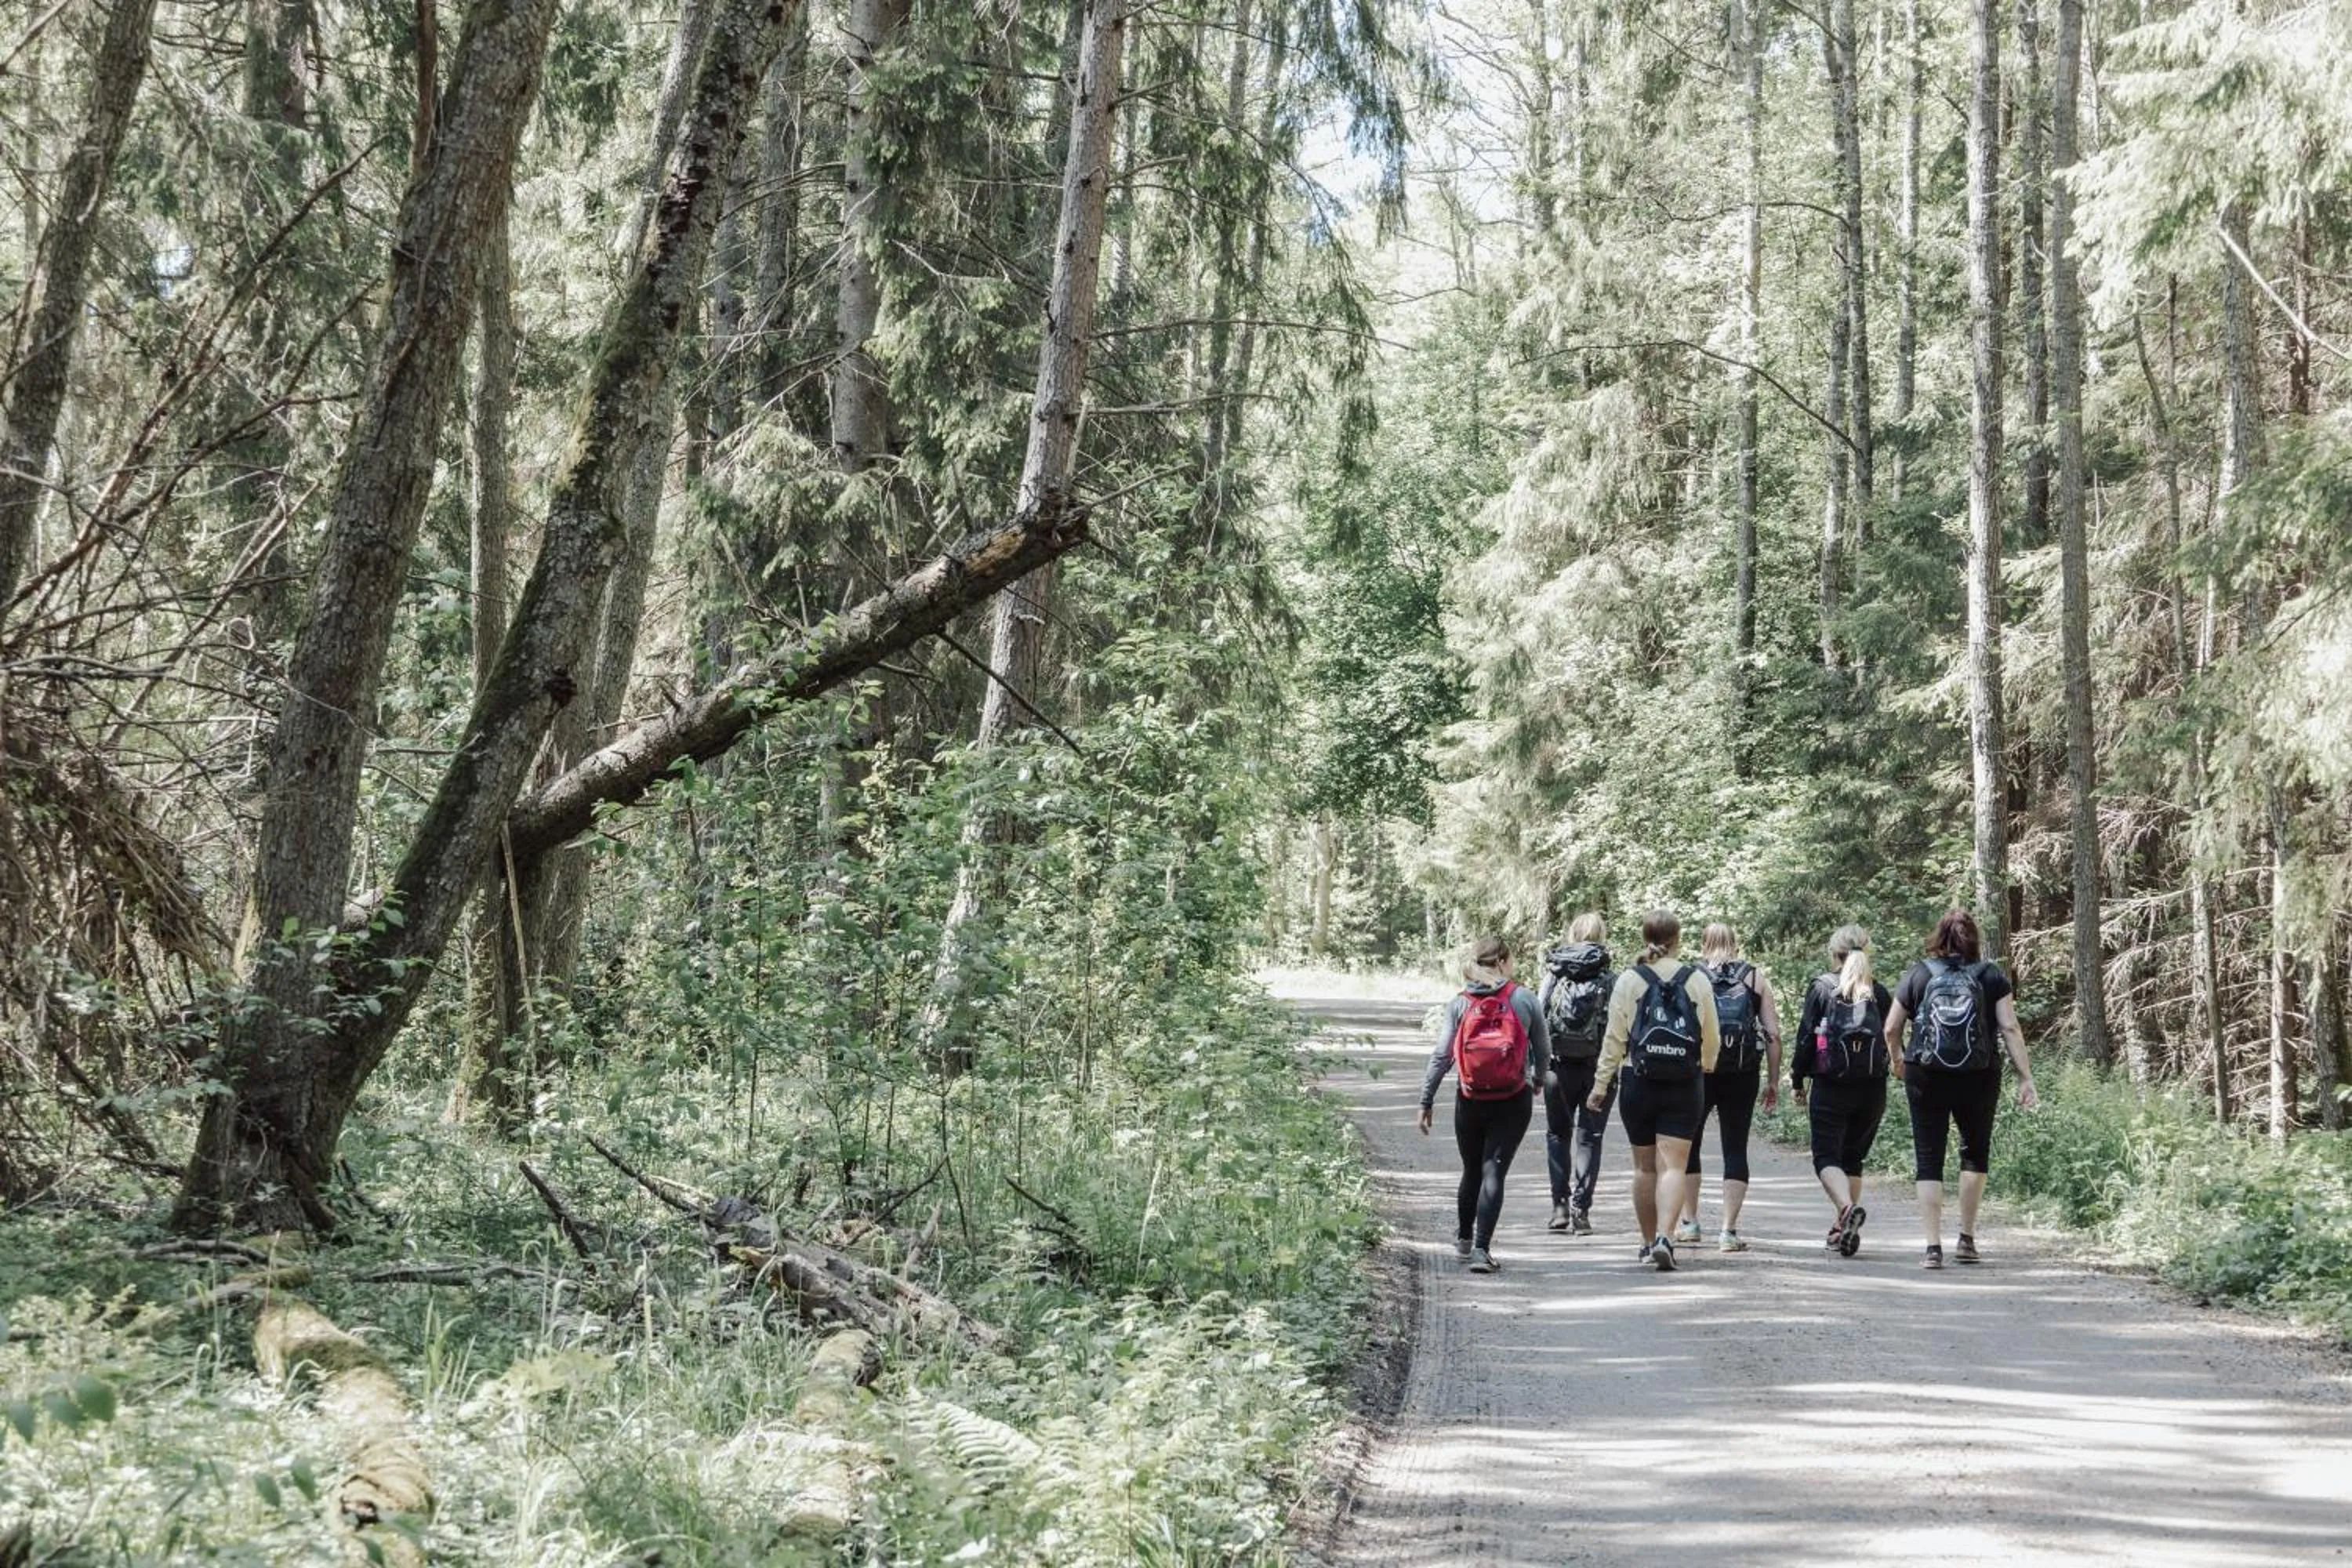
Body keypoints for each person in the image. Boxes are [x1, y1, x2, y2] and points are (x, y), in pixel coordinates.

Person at [1884, 909, 2038, 1269]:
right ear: (1975, 939)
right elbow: (2010, 1028)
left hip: (1925, 1073)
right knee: (1974, 1152)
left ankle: (1932, 1247)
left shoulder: (1919, 974)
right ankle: (1966, 1239)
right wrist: (2025, 1076)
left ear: (1939, 938)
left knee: (1929, 1158)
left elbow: (1891, 1027)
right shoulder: (1991, 976)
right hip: (1979, 1074)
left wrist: (1898, 1061)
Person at [1586, 910, 1719, 1271]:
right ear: (1678, 939)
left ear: (1645, 936)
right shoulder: (1697, 980)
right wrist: (1706, 1066)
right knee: (1674, 1166)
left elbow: (1613, 1039)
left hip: (1637, 1081)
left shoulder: (1630, 980)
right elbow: (1712, 1036)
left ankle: (1647, 1244)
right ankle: (1666, 1236)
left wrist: (1601, 1085)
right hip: (1684, 1082)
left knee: (1645, 1169)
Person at [1418, 935, 1552, 1274]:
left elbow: (1442, 1056)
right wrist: (1536, 1081)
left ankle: (1464, 1239)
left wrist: (1427, 1098)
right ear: (1504, 962)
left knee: (1472, 1169)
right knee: (1495, 1169)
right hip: (1513, 1098)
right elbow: (1544, 1050)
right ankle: (1482, 1249)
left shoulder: (1460, 1003)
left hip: (1470, 1098)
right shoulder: (1524, 999)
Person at [1674, 924, 1782, 1252]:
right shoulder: (1753, 977)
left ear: (1704, 944)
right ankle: (1728, 1231)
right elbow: (1773, 1034)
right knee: (1735, 1148)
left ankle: (1690, 1224)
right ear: (1735, 944)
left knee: (1689, 1146)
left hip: (1699, 1073)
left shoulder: (1690, 976)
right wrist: (1774, 1080)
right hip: (1742, 1072)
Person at [1791, 925, 1893, 1258]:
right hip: (1872, 1088)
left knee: (1826, 1157)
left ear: (1834, 953)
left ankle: (1846, 1210)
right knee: (1853, 1158)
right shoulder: (1879, 993)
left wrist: (1797, 1079)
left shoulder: (1823, 988)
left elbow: (1807, 1036)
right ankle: (1840, 1227)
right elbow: (1893, 1038)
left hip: (1831, 1085)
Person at [1538, 913, 1617, 1235]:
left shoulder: (1554, 973)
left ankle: (1559, 1207)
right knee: (1590, 1138)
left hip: (1558, 1067)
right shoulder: (1610, 977)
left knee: (1558, 1135)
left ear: (1572, 934)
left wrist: (1536, 1067)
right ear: (1601, 935)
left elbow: (1538, 1017)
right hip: (1599, 1068)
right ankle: (1581, 1211)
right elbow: (1619, 1025)